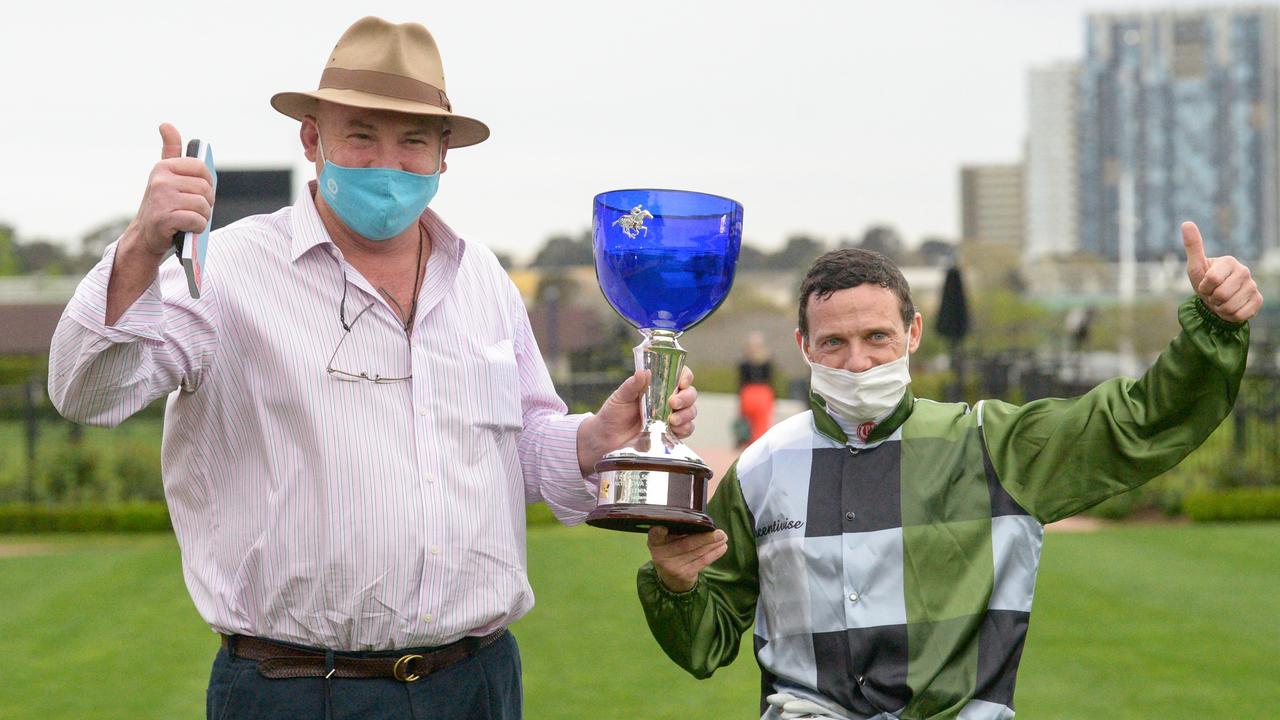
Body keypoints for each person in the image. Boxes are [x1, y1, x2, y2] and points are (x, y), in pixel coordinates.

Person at [47, 16, 697, 720]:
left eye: (414, 140)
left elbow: (519, 450)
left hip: (476, 681)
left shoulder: (480, 278)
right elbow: (85, 390)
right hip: (296, 688)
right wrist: (144, 244)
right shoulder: (230, 270)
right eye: (361, 134)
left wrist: (593, 439)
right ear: (311, 139)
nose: (388, 162)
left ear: (445, 153)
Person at [638, 230, 1261, 720]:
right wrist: (674, 583)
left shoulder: (994, 445)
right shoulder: (759, 468)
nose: (857, 363)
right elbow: (706, 642)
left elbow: (1141, 420)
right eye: (834, 344)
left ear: (912, 334)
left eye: (877, 337)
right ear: (803, 346)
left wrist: (1213, 328)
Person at [737, 330, 776, 446]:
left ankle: (758, 446)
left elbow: (770, 380)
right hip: (750, 394)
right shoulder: (744, 363)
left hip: (762, 393)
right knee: (750, 425)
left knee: (761, 425)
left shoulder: (766, 362)